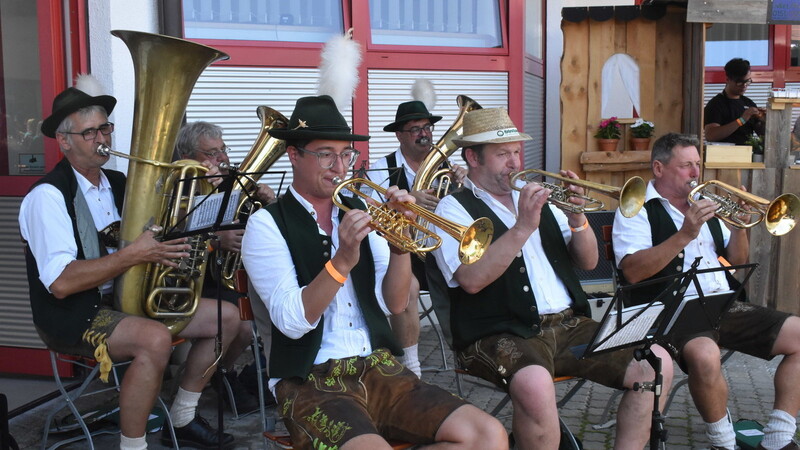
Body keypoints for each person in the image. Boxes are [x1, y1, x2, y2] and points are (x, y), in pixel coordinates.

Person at [241, 95, 508, 450]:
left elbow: (396, 303)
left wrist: (401, 243)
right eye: (325, 154)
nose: (339, 167)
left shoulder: (360, 208)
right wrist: (342, 259)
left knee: (488, 436)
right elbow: (292, 321)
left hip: (378, 367)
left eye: (346, 155)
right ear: (294, 155)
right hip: (309, 379)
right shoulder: (266, 224)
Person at [430, 107, 674, 450]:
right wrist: (522, 227)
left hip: (571, 325)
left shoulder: (539, 198)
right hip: (498, 330)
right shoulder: (453, 209)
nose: (515, 163)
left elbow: (588, 262)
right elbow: (471, 280)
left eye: (516, 152)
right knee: (534, 384)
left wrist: (577, 219)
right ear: (472, 157)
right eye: (502, 154)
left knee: (655, 362)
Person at [19, 78, 241, 449]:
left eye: (105, 127)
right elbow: (60, 283)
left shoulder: (121, 183)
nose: (101, 138)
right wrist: (134, 254)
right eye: (89, 132)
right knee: (153, 339)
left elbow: (162, 235)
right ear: (64, 141)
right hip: (74, 312)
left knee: (228, 318)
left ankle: (183, 414)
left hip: (127, 298)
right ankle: (133, 444)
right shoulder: (48, 196)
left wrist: (203, 196)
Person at [612, 132, 800, 450]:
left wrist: (739, 225)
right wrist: (685, 233)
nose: (696, 174)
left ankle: (778, 435)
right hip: (674, 310)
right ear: (659, 168)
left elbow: (736, 261)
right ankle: (723, 441)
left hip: (721, 303)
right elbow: (632, 271)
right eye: (686, 165)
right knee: (705, 355)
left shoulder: (705, 205)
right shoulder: (638, 209)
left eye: (698, 164)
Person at [175, 121, 277, 413]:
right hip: (192, 281)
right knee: (243, 326)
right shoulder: (181, 187)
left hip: (225, 279)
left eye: (223, 150)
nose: (221, 158)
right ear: (189, 156)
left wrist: (269, 205)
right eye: (211, 153)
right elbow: (176, 235)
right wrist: (216, 239)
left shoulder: (233, 184)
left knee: (263, 315)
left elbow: (259, 229)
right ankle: (218, 376)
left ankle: (223, 373)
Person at [369, 100, 467, 377]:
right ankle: (410, 367)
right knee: (408, 287)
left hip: (443, 250)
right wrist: (410, 203)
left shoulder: (448, 167)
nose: (424, 134)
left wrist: (465, 186)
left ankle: (479, 350)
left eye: (427, 128)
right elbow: (370, 215)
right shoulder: (383, 168)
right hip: (403, 253)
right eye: (415, 129)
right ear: (399, 135)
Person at [704, 58, 766, 145]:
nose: (744, 86)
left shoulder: (749, 103)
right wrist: (741, 120)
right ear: (728, 80)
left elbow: (763, 136)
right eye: (740, 82)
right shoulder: (716, 104)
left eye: (747, 81)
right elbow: (711, 135)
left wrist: (764, 120)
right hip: (722, 156)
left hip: (746, 154)